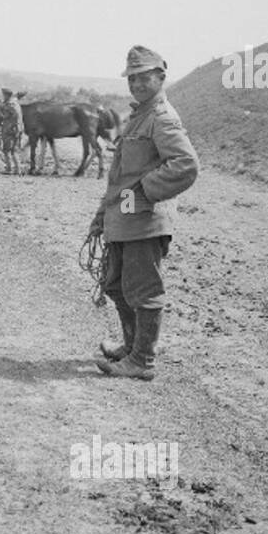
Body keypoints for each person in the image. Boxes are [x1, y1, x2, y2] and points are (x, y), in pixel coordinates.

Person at [89, 46, 199, 380]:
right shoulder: (140, 115)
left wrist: (145, 192)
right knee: (116, 284)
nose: (136, 83)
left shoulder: (162, 117)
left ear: (161, 77)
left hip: (146, 221)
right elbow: (122, 176)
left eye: (143, 77)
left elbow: (186, 165)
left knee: (143, 289)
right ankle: (132, 346)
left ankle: (143, 361)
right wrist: (102, 216)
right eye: (132, 78)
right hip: (123, 218)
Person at [0, 87, 23, 175]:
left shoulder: (10, 104)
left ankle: (9, 169)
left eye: (3, 95)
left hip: (10, 130)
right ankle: (18, 169)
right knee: (14, 150)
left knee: (7, 150)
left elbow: (12, 116)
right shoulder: (15, 102)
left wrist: (1, 113)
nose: (2, 96)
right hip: (16, 130)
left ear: (6, 95)